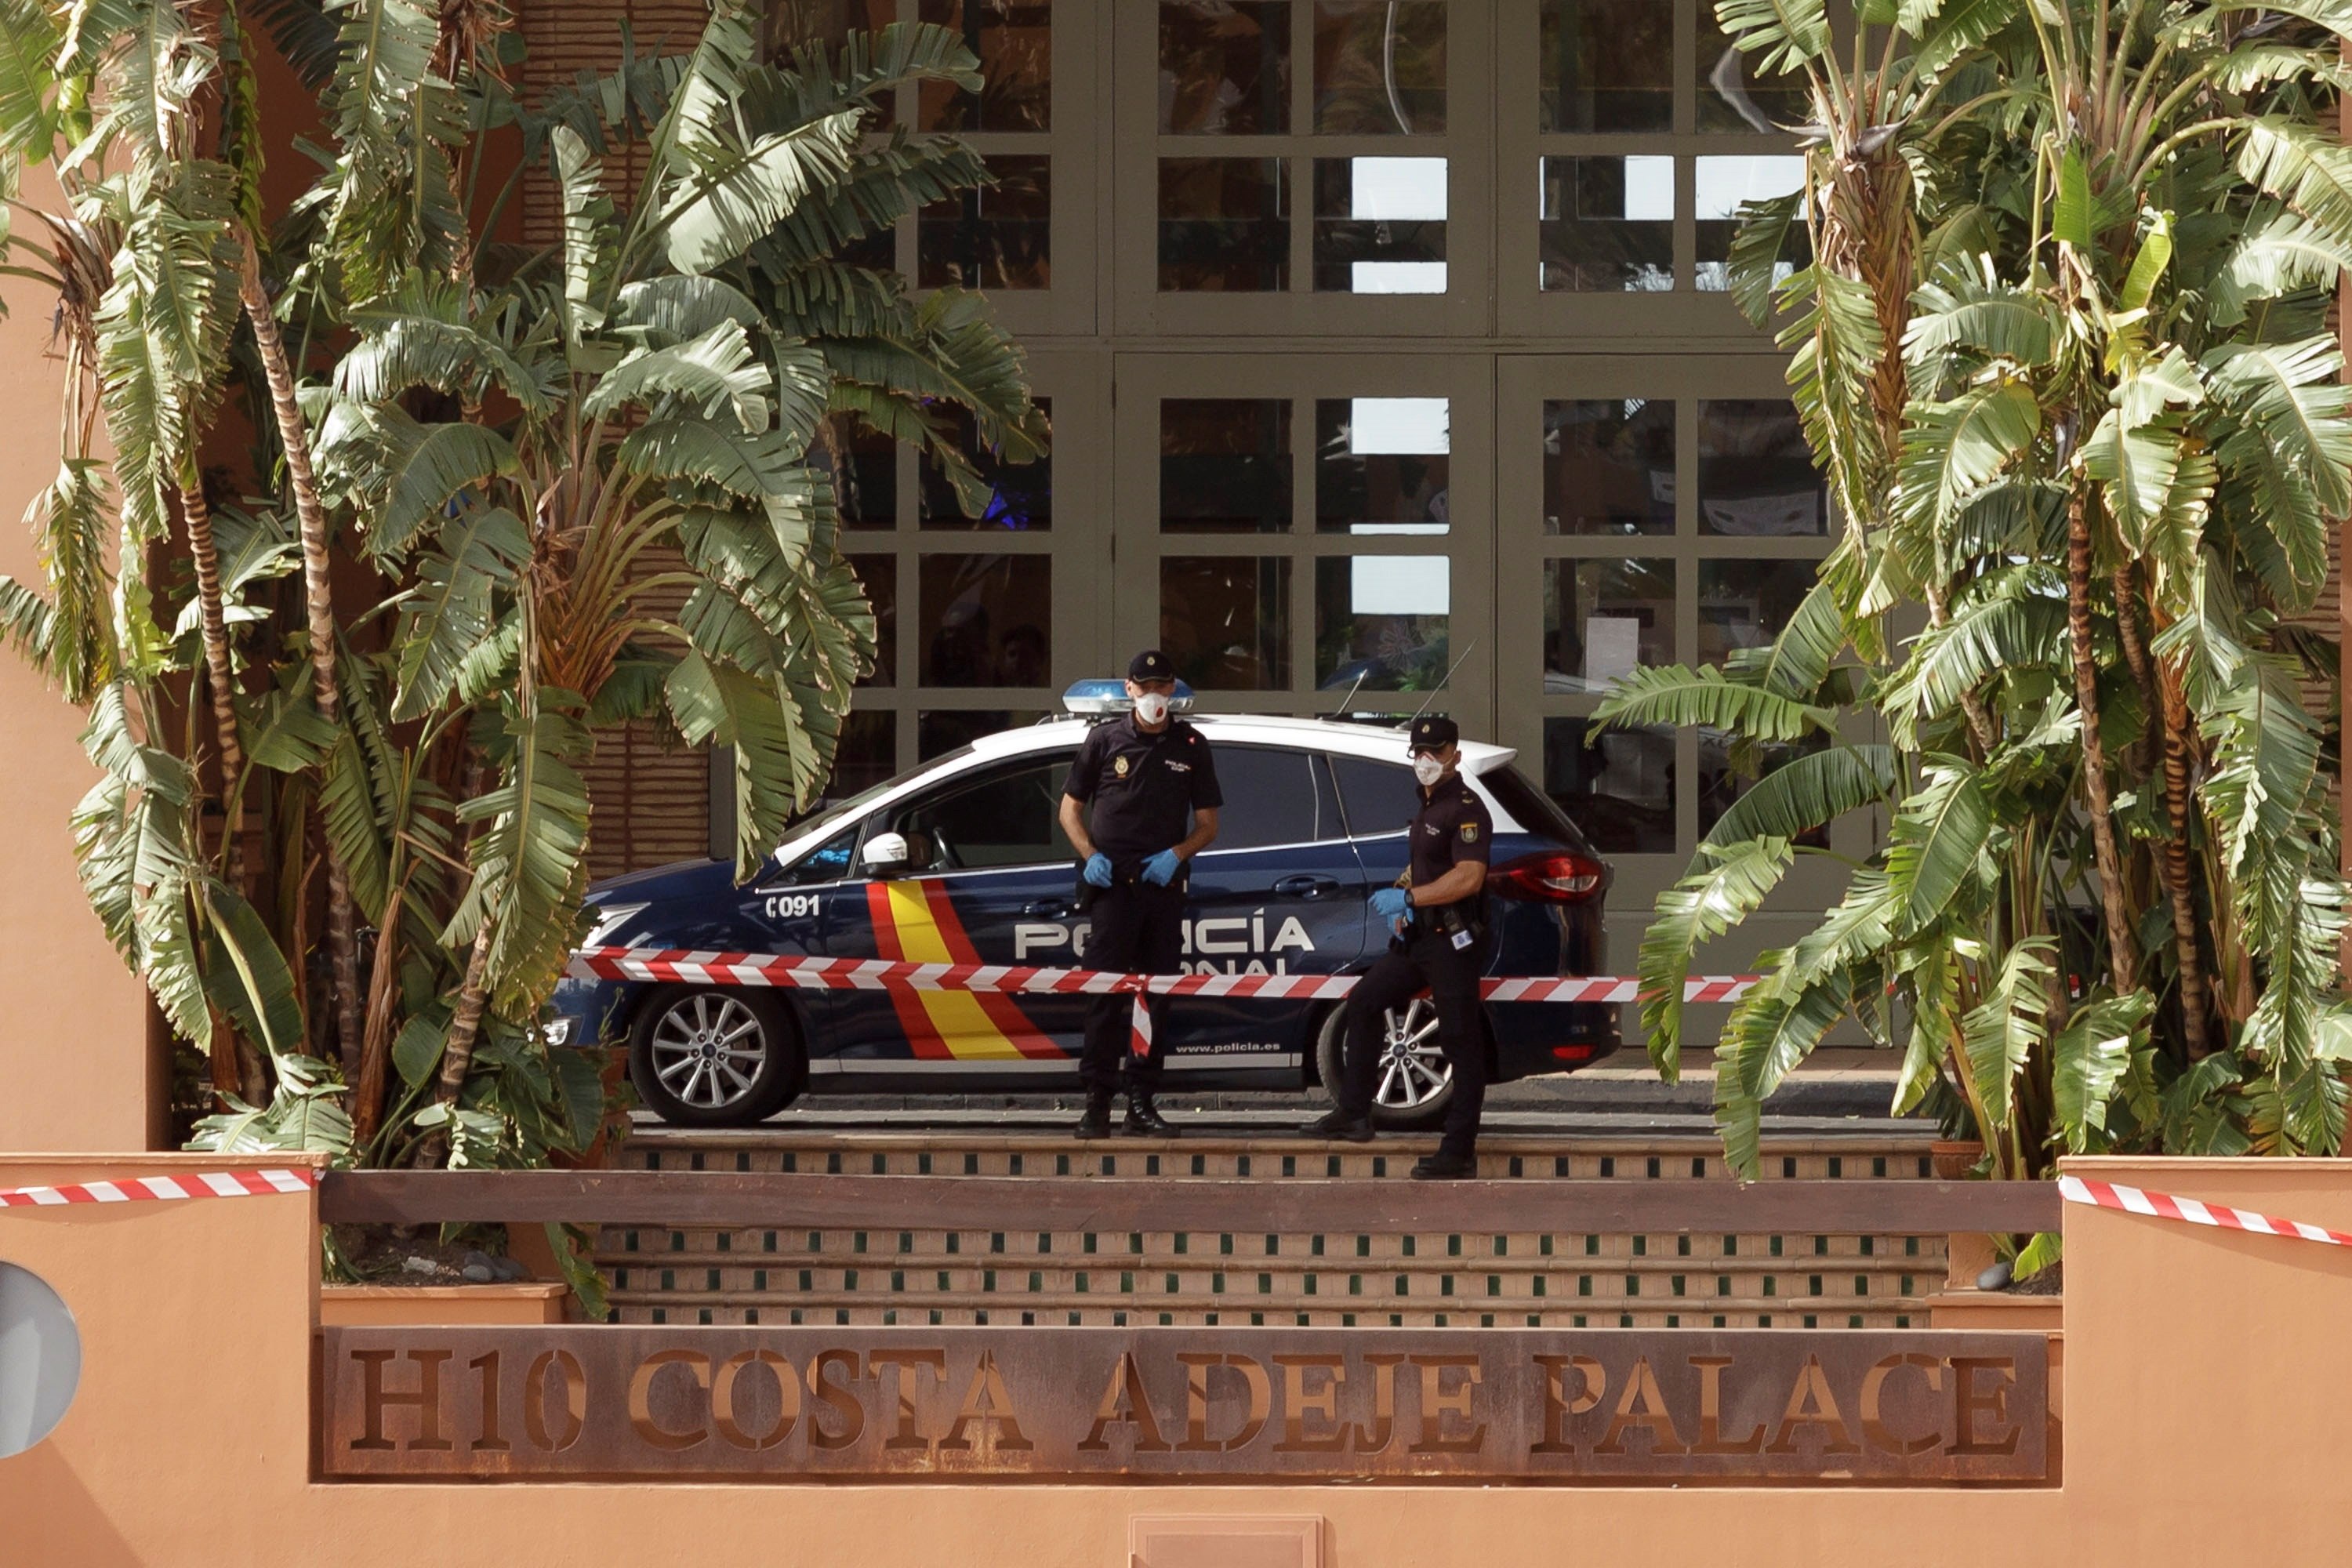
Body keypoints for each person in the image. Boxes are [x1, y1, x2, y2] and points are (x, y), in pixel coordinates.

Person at [1301, 714, 1493, 1179]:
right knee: (1365, 1001)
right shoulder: (1426, 805)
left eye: (1438, 752)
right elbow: (1425, 865)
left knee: (1460, 1040)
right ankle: (1354, 1114)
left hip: (1452, 939)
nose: (1427, 760)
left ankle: (1459, 1150)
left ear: (1456, 755)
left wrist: (1410, 897)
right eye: (1420, 752)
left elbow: (1469, 877)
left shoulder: (1466, 808)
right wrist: (1403, 895)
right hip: (1418, 937)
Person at [1058, 650, 1222, 1138]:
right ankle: (1096, 1104)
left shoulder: (1192, 744)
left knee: (1155, 997)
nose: (1155, 695)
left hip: (1161, 886)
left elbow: (1209, 824)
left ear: (1174, 690)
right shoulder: (1104, 739)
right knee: (1104, 998)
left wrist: (1177, 853)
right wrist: (1091, 856)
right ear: (1129, 689)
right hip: (1111, 888)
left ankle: (1142, 1103)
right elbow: (1069, 811)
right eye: (1145, 685)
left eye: (1163, 686)